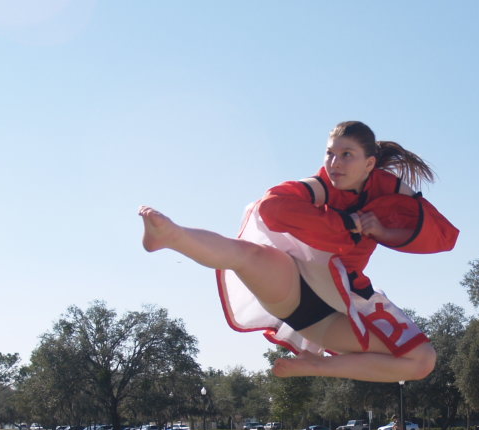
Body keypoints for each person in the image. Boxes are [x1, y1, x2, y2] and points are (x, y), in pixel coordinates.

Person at [139, 120, 458, 383]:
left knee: (422, 360)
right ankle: (172, 236)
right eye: (330, 153)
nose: (335, 163)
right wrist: (345, 222)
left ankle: (319, 367)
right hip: (295, 283)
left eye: (347, 155)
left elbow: (442, 236)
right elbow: (271, 208)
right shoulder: (320, 186)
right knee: (248, 256)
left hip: (336, 312)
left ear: (369, 163)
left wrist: (384, 230)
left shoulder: (387, 190)